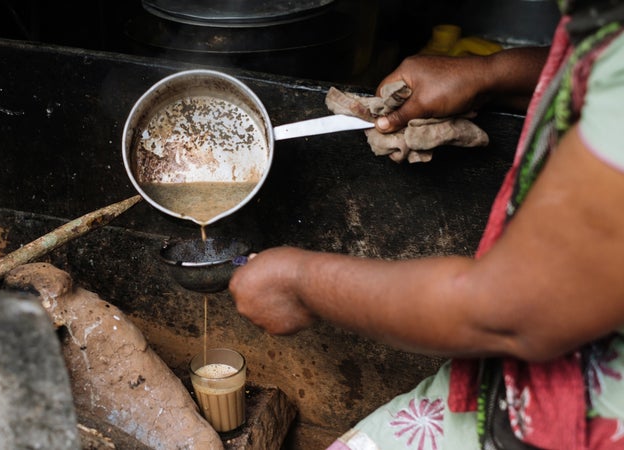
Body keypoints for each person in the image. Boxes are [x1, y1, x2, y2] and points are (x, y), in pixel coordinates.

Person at [228, 1, 624, 448]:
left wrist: (300, 283)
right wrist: (489, 74)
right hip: (509, 378)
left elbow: (511, 315)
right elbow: (598, 68)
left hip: (583, 412)